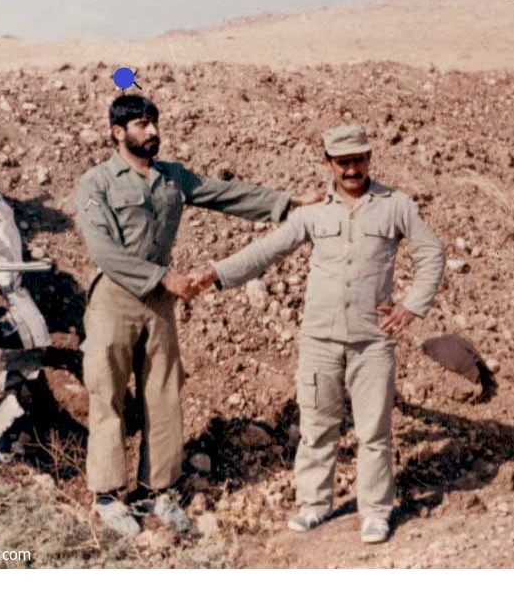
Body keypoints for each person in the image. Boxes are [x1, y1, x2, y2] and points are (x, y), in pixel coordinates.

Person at [74, 95, 321, 537]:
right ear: (118, 132)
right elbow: (103, 251)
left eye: (154, 122)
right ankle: (108, 496)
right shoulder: (97, 182)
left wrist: (289, 204)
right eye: (142, 124)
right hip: (114, 298)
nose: (152, 131)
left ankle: (157, 489)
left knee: (163, 393)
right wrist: (162, 277)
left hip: (159, 303)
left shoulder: (172, 177)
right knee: (107, 393)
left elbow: (225, 194)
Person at [185, 124, 445, 543]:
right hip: (320, 339)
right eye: (343, 162)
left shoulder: (396, 206)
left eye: (358, 160)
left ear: (369, 158)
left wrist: (411, 306)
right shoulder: (312, 212)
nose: (352, 169)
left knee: (373, 432)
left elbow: (431, 254)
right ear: (329, 163)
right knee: (318, 426)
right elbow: (266, 251)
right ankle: (314, 505)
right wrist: (216, 273)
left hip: (372, 340)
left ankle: (375, 512)